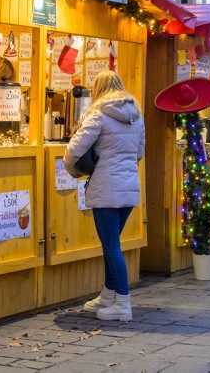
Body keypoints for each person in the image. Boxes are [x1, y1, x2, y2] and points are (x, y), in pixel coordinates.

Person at [64, 70, 146, 321]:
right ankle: (109, 295)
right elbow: (139, 153)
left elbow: (73, 149)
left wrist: (73, 170)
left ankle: (123, 303)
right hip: (130, 186)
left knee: (111, 247)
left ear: (98, 89)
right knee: (113, 245)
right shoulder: (137, 116)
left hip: (106, 187)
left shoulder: (98, 115)